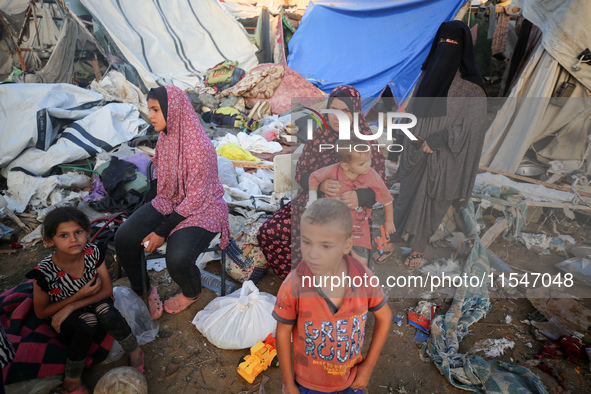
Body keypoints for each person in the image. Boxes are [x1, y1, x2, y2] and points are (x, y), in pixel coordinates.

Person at [375, 20, 487, 268]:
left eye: (453, 43)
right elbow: (413, 108)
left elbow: (475, 126)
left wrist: (439, 139)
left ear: (464, 47)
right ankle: (392, 240)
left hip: (445, 155)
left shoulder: (473, 88)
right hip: (416, 148)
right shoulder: (427, 74)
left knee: (433, 202)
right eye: (443, 42)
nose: (446, 47)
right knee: (405, 197)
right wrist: (401, 139)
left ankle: (418, 247)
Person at [115, 85, 230, 317]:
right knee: (125, 237)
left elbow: (196, 197)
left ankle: (192, 291)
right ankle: (143, 289)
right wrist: (147, 213)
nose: (151, 116)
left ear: (173, 109)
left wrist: (161, 230)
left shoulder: (199, 147)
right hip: (170, 200)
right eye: (150, 109)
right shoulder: (166, 138)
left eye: (156, 110)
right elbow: (161, 178)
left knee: (177, 259)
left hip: (203, 207)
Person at [257, 85, 386, 280]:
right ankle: (299, 282)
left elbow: (379, 187)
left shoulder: (366, 140)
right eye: (333, 110)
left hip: (349, 212)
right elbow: (301, 172)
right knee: (269, 232)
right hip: (312, 202)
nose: (337, 117)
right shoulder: (319, 136)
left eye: (345, 111)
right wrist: (320, 184)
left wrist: (358, 196)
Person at [273, 199, 392, 394]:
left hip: (350, 379)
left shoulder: (364, 279)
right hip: (308, 383)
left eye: (326, 246)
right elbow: (283, 332)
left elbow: (385, 317)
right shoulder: (294, 285)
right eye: (306, 242)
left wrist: (368, 367)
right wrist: (288, 383)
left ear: (347, 245)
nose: (313, 254)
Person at [26, 207, 144, 394]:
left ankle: (135, 351)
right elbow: (41, 312)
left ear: (88, 233)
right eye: (63, 235)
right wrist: (77, 298)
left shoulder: (93, 253)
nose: (73, 239)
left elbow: (106, 289)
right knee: (87, 322)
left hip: (93, 301)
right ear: (49, 241)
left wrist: (74, 303)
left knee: (105, 310)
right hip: (67, 318)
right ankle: (73, 379)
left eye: (78, 232)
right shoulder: (44, 273)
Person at [307, 137, 395, 265]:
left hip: (358, 225)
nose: (368, 165)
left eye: (369, 159)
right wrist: (312, 199)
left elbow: (387, 199)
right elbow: (313, 177)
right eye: (362, 163)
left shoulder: (372, 175)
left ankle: (357, 283)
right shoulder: (332, 170)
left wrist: (389, 221)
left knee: (361, 263)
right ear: (345, 166)